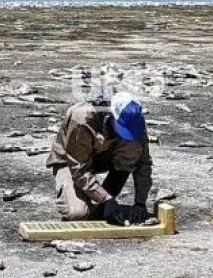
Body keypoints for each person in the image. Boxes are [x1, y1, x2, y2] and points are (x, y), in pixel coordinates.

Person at [46, 92, 153, 225]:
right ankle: (100, 201)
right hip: (70, 161)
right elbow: (79, 169)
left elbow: (143, 163)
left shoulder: (136, 120)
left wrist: (140, 203)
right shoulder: (82, 119)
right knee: (77, 214)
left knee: (132, 147)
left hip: (104, 158)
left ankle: (102, 205)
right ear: (111, 115)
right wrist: (106, 198)